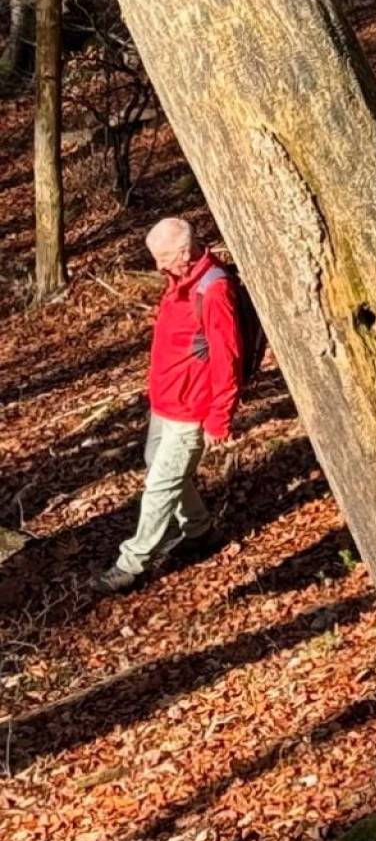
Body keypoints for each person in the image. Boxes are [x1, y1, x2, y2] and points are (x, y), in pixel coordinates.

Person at [90, 218, 243, 594]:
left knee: (160, 485)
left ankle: (131, 564)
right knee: (156, 464)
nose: (157, 266)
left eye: (162, 258)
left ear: (184, 252)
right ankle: (199, 530)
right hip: (166, 404)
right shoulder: (181, 279)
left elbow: (228, 358)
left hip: (191, 410)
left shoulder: (213, 289)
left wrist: (219, 418)